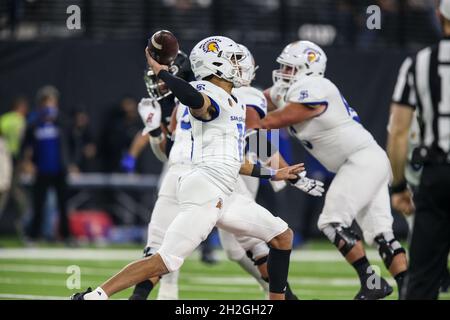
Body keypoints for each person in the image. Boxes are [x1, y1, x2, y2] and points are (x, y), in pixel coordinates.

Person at [71, 36, 303, 300]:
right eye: (233, 60)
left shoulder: (235, 101)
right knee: (164, 260)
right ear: (215, 64)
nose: (239, 65)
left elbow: (236, 161)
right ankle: (95, 296)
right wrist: (163, 73)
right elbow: (195, 99)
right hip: (205, 189)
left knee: (282, 235)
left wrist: (275, 173)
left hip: (227, 190)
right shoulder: (206, 91)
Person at [261, 40, 408, 300]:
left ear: (309, 69)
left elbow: (272, 120)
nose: (283, 72)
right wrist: (239, 106)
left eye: (290, 67)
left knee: (330, 222)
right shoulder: (290, 89)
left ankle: (371, 282)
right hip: (366, 161)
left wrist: (242, 119)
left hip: (361, 160)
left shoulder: (315, 87)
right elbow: (258, 108)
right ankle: (409, 290)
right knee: (382, 235)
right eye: (283, 66)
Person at [387, 0, 450, 300]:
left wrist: (398, 186)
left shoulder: (420, 62)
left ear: (439, 17)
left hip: (437, 174)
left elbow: (398, 131)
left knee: (423, 278)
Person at [22, 86, 72, 243]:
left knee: (63, 205)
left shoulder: (62, 122)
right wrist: (27, 162)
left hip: (59, 170)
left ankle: (66, 236)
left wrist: (71, 163)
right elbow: (25, 146)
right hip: (41, 170)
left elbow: (72, 144)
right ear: (41, 104)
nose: (51, 106)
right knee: (38, 205)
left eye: (53, 102)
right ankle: (33, 236)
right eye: (48, 102)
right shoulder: (34, 123)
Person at [0, 97, 29, 229]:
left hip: (4, 157)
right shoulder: (20, 121)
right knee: (12, 191)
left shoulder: (4, 119)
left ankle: (25, 219)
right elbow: (24, 142)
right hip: (13, 159)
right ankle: (26, 219)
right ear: (21, 108)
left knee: (8, 190)